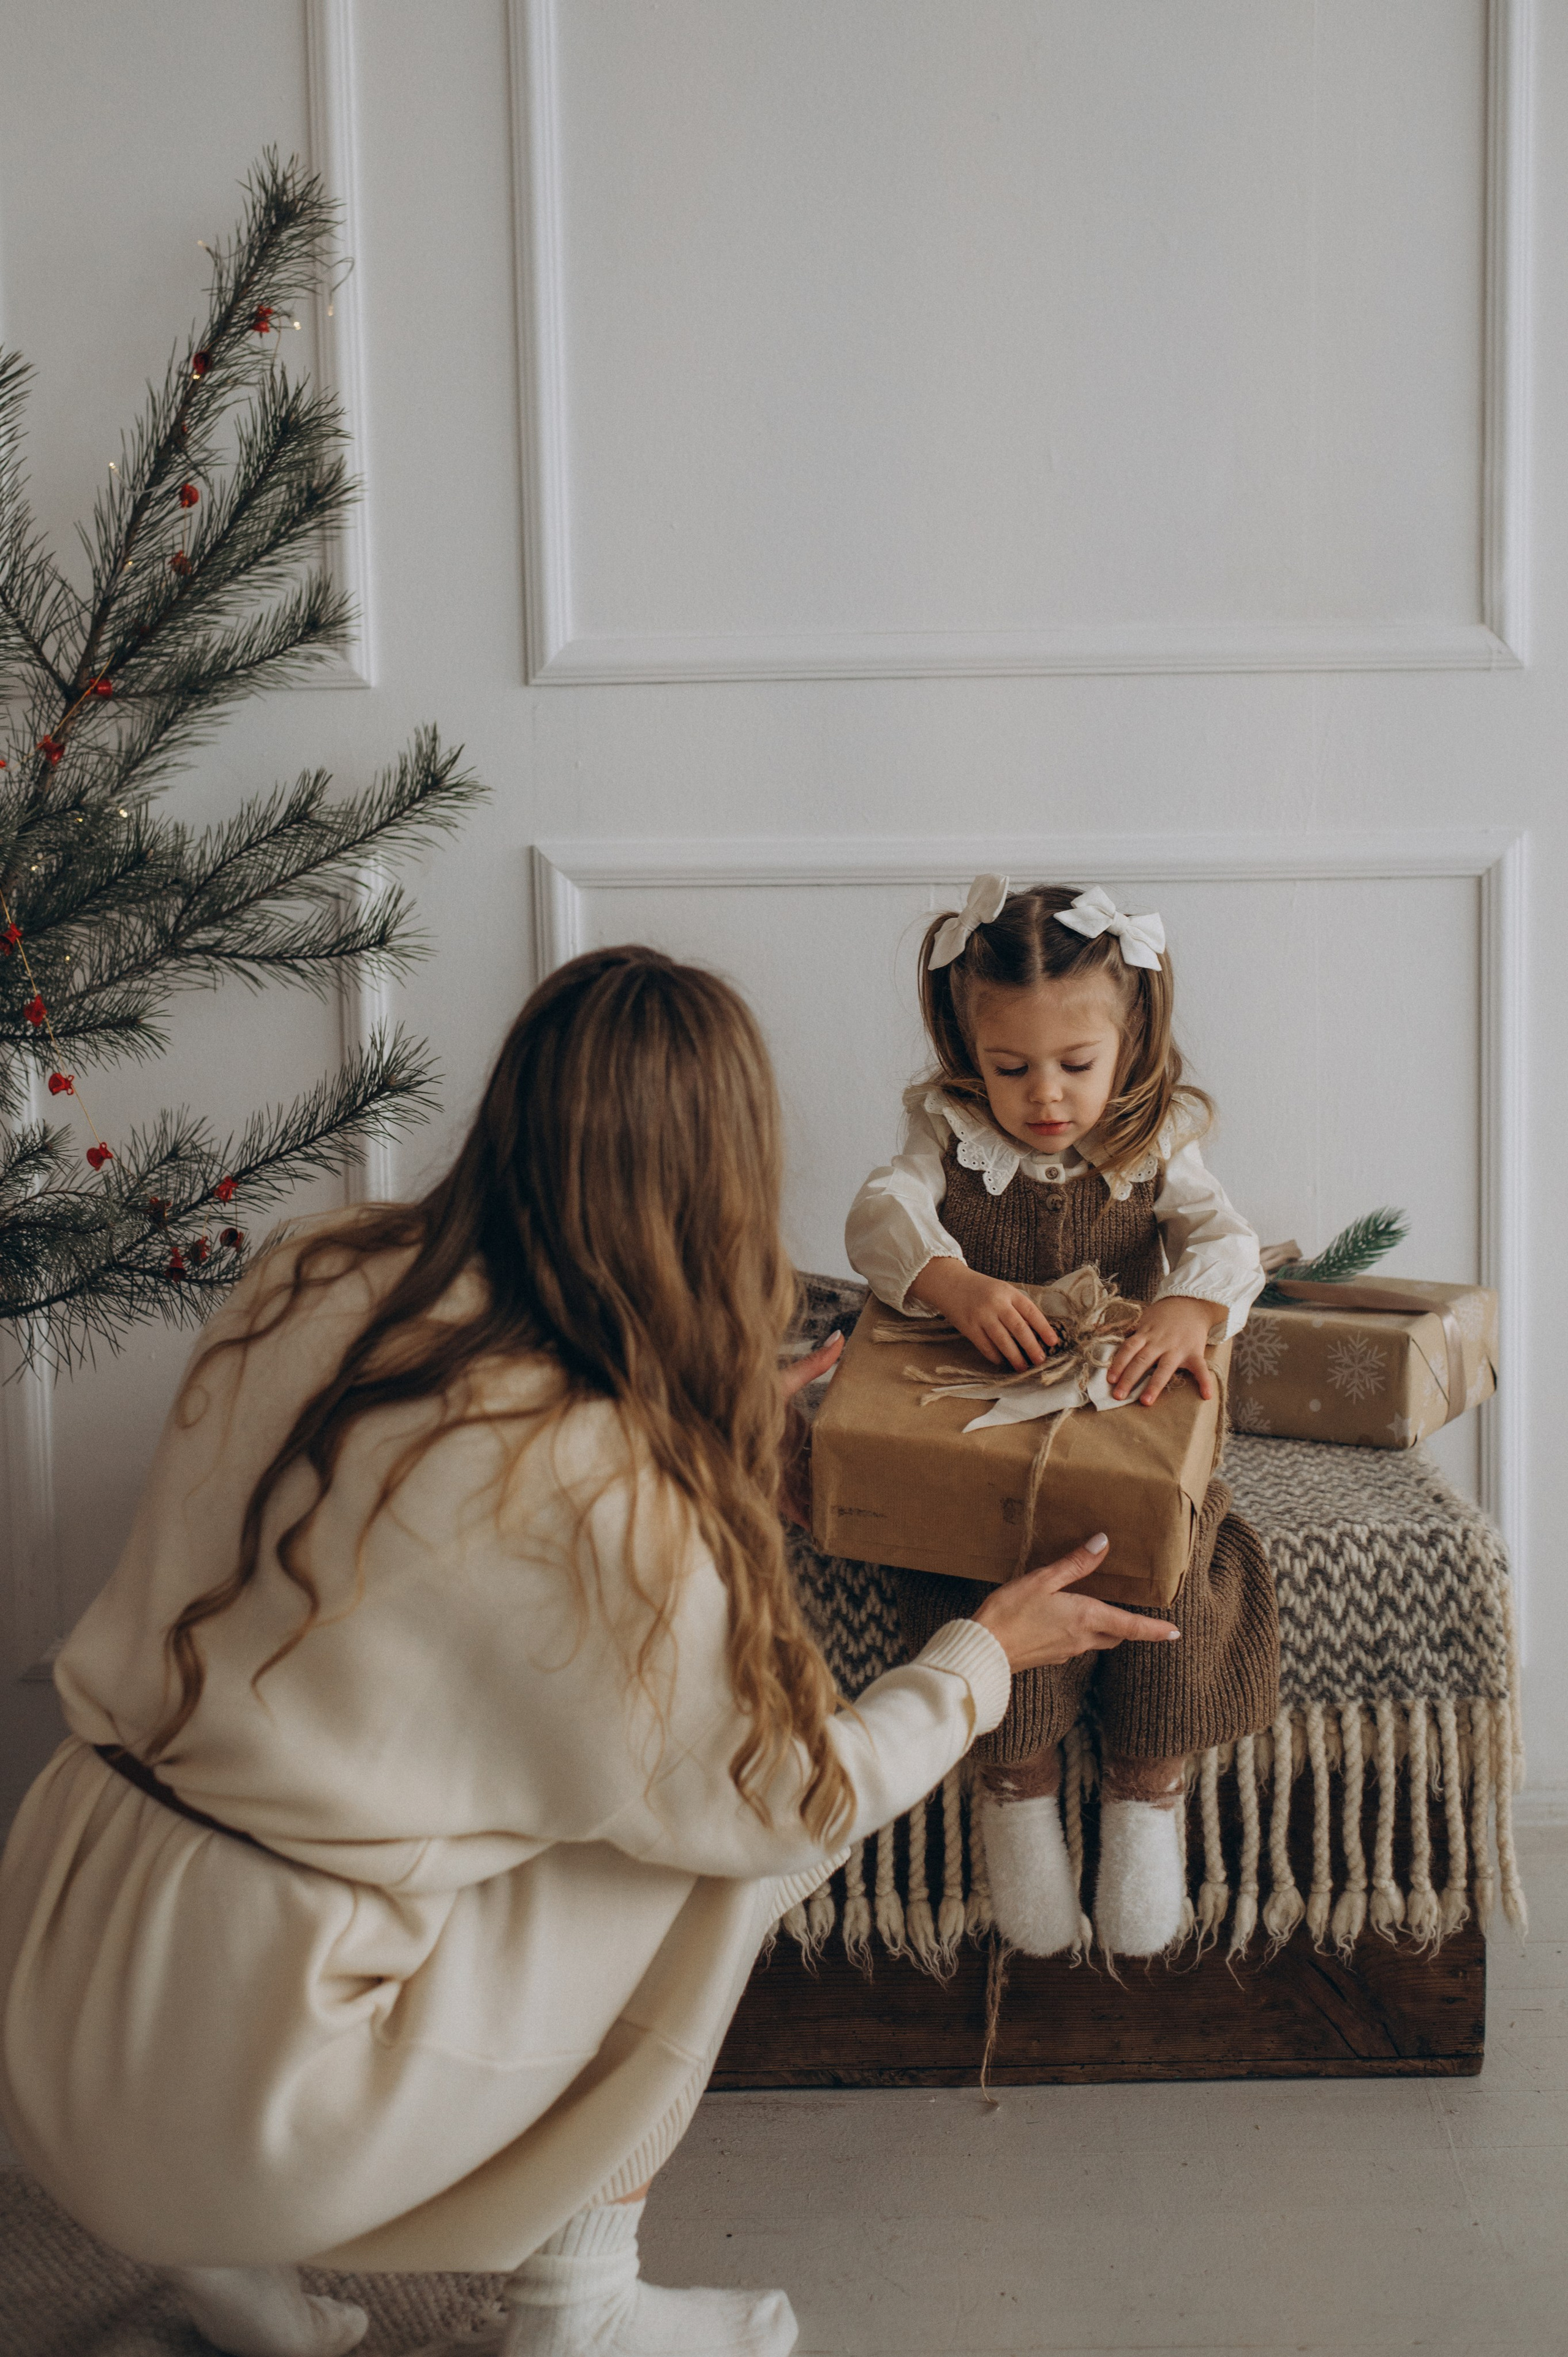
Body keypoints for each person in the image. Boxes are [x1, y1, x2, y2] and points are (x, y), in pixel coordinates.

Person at [0, 947, 1183, 2357]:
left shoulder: (317, 1266)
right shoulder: (603, 1484)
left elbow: (437, 1520)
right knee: (708, 1854)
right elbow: (789, 1796)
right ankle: (582, 2311)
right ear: (724, 1182)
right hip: (258, 2095)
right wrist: (980, 1657)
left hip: (54, 1973)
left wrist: (698, 1423)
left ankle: (231, 2283)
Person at [845, 880, 1280, 1960]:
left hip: (1120, 1410)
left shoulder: (1156, 1139)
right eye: (1011, 1068)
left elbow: (1227, 1240)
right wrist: (951, 1283)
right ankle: (1017, 1790)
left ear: (1131, 1045)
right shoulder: (946, 1131)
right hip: (992, 1421)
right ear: (968, 1049)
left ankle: (1147, 1793)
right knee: (980, 1584)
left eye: (1077, 1065)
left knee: (1175, 1582)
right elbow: (882, 1213)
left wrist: (1188, 1306)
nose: (1045, 1096)